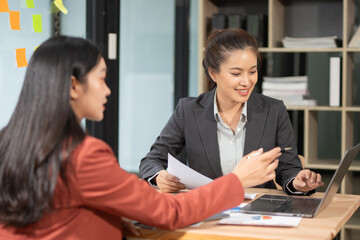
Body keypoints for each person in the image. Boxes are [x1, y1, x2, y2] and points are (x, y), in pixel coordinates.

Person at [0, 36, 281, 240]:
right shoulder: (84, 155)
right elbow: (169, 213)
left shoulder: (9, 141)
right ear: (74, 86)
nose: (107, 90)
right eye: (101, 78)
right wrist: (236, 181)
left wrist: (116, 217)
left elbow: (55, 207)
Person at [139, 28, 324, 194]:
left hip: (258, 213)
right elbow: (151, 160)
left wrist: (297, 182)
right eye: (236, 74)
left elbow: (289, 169)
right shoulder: (188, 111)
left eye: (252, 71)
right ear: (213, 73)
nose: (246, 81)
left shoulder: (274, 111)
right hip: (206, 209)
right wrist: (158, 177)